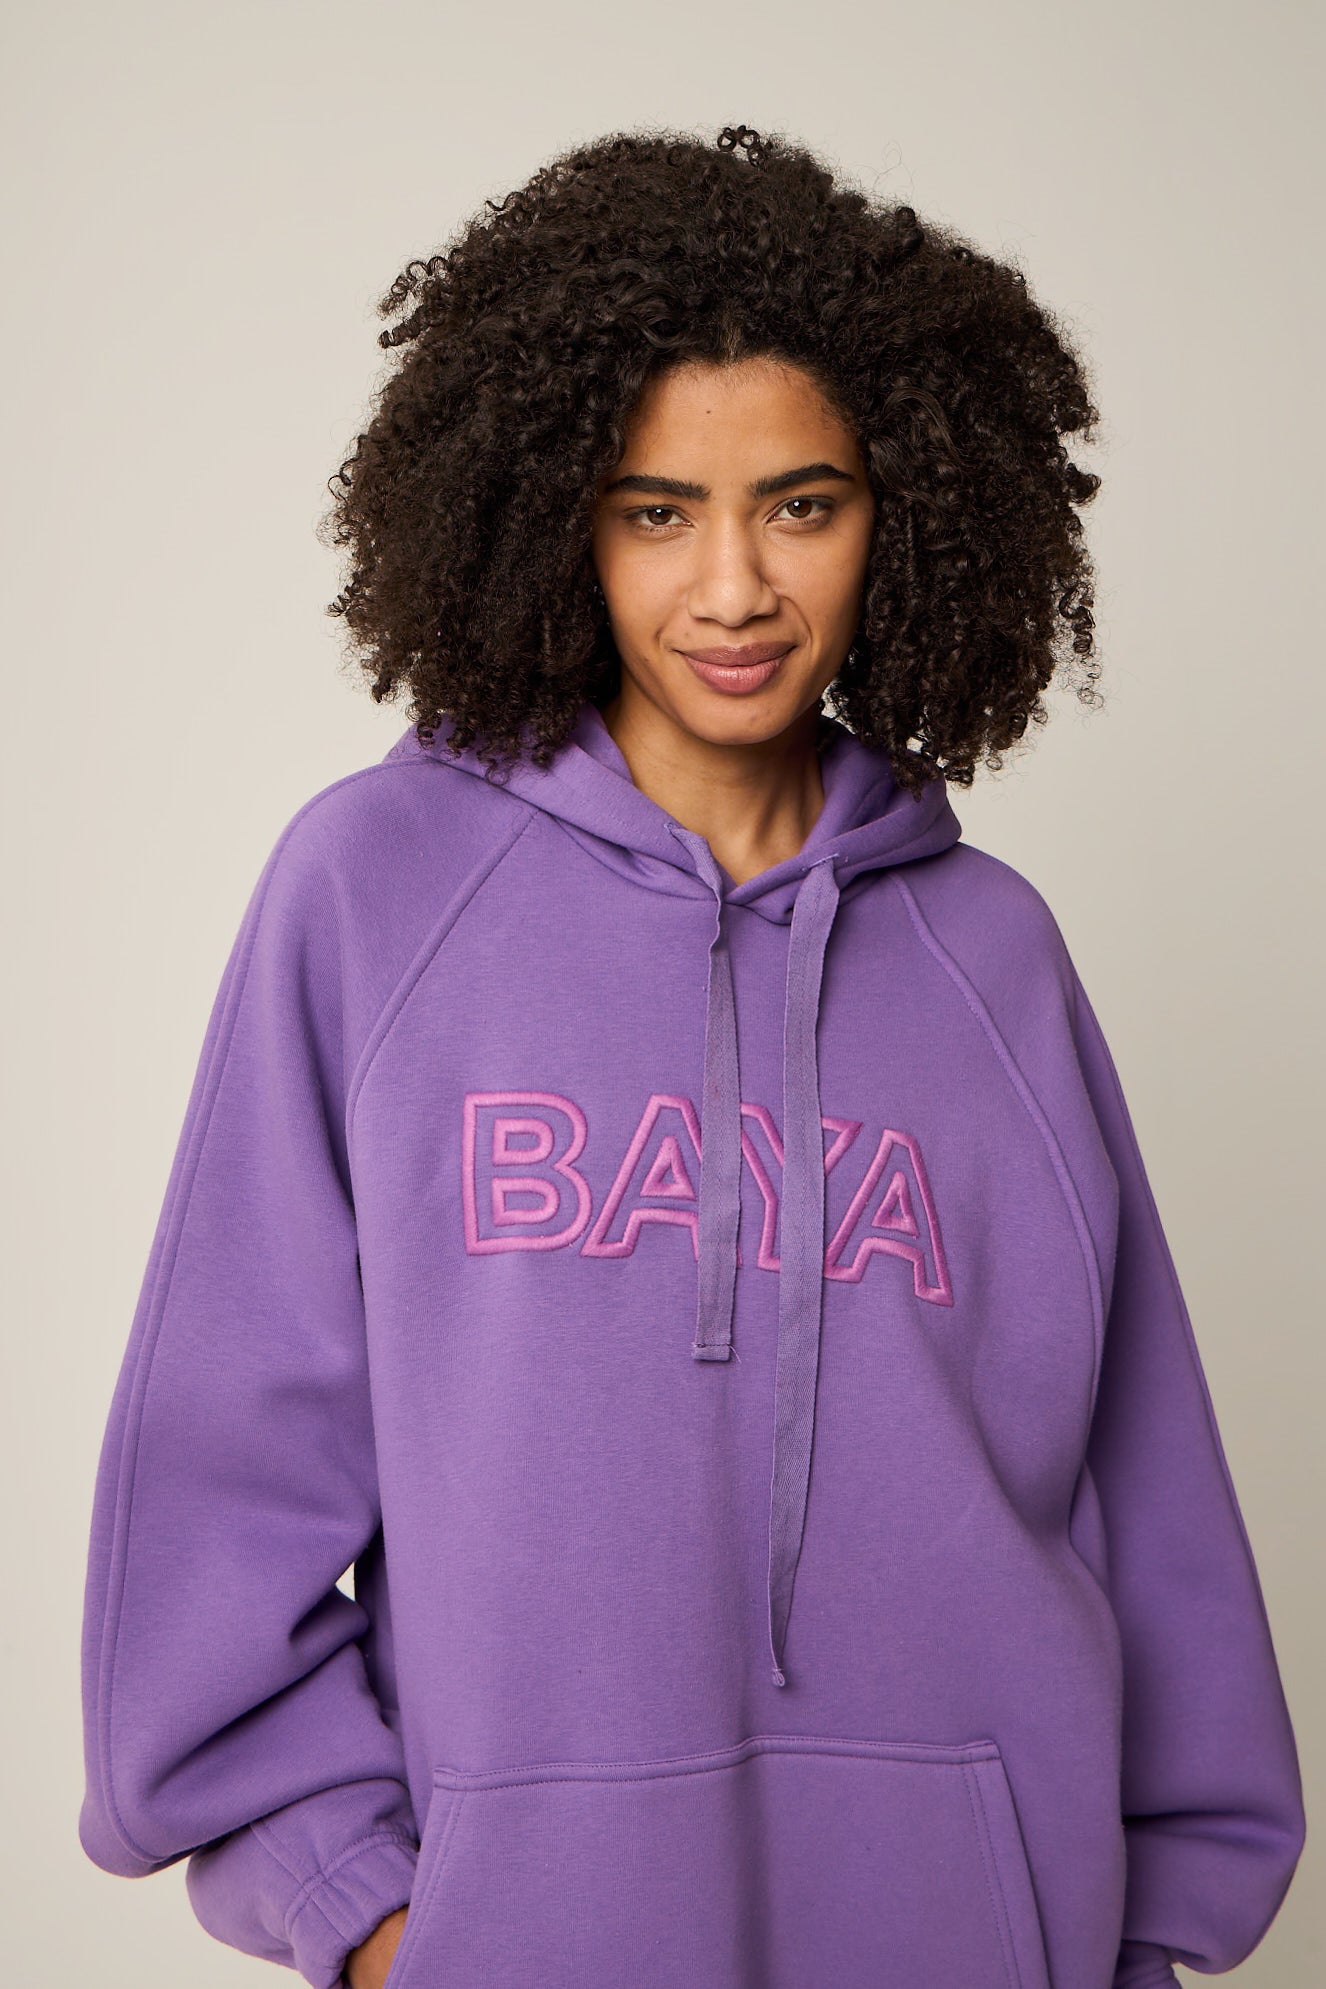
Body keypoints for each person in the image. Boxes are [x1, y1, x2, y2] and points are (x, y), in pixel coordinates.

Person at [78, 122, 1305, 1989]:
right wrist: (381, 1924)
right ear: (551, 515)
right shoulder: (377, 894)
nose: (732, 587)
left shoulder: (992, 955)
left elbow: (1150, 1506)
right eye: (656, 510)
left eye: (800, 505)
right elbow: (218, 1487)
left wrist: (1134, 1939)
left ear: (905, 513)